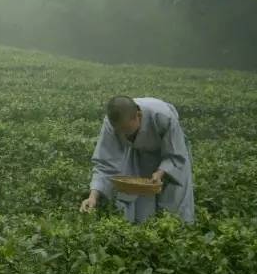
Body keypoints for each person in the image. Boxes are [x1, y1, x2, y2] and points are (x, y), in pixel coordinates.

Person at [80, 95, 195, 224]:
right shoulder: (111, 123)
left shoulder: (163, 116)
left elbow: (175, 154)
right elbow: (105, 162)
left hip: (171, 157)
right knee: (140, 206)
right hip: (138, 154)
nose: (123, 135)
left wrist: (160, 172)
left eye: (127, 130)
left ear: (138, 116)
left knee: (175, 206)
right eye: (120, 132)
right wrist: (92, 197)